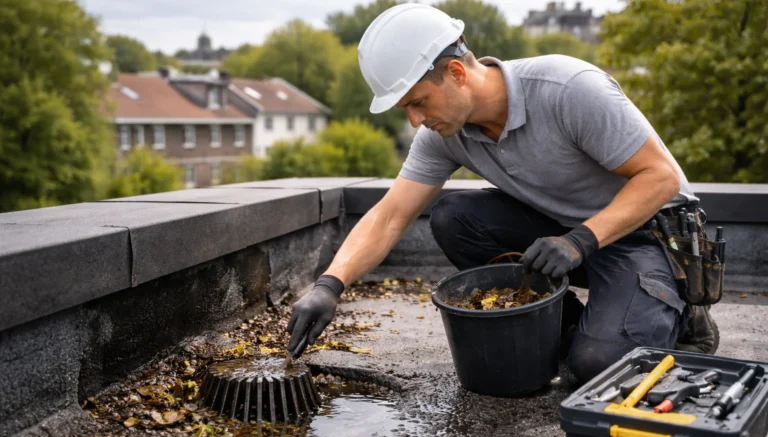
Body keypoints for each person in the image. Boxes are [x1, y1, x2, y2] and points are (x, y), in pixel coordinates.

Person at [286, 3, 718, 383]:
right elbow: (390, 214)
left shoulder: (569, 89)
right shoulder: (443, 135)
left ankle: (681, 318)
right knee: (454, 217)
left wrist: (580, 239)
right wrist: (330, 285)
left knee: (598, 365)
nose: (415, 120)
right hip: (569, 237)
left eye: (418, 102)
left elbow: (660, 179)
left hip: (650, 236)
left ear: (456, 73)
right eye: (407, 110)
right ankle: (570, 324)